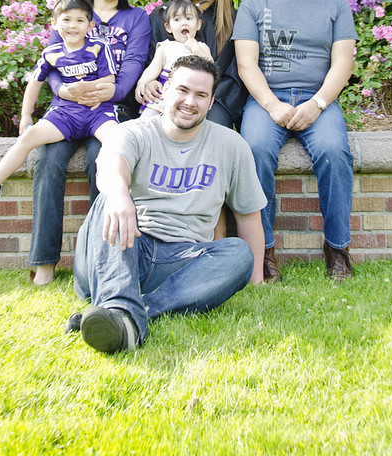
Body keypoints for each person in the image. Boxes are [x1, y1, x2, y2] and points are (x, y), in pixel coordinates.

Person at [64, 55, 267, 353]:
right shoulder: (133, 132)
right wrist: (120, 195)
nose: (190, 102)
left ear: (211, 102)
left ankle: (125, 313)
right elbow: (111, 166)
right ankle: (121, 306)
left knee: (239, 253)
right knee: (108, 198)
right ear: (165, 90)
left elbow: (248, 215)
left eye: (201, 95)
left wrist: (256, 280)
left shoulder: (231, 146)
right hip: (124, 247)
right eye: (182, 90)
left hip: (179, 262)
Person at [233, 0, 358, 282]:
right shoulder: (253, 5)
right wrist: (272, 105)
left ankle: (338, 249)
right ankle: (265, 251)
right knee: (254, 151)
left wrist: (317, 103)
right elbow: (246, 64)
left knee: (335, 152)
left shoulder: (335, 5)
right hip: (266, 101)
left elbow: (343, 63)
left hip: (318, 100)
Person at [28, 0, 151, 286]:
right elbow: (50, 63)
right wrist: (63, 91)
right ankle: (44, 262)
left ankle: (100, 259)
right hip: (67, 108)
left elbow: (134, 62)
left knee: (103, 160)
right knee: (48, 161)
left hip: (111, 108)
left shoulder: (136, 18)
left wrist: (113, 92)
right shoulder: (72, 10)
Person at [0, 0, 119, 201]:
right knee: (28, 136)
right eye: (66, 20)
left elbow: (109, 79)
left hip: (97, 111)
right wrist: (26, 115)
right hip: (66, 114)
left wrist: (84, 87)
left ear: (90, 26)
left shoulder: (98, 46)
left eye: (80, 20)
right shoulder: (50, 53)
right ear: (54, 23)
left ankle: (124, 191)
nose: (73, 26)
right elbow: (35, 82)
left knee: (117, 140)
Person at [144, 0, 246, 129]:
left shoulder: (234, 21)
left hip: (216, 101)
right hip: (166, 97)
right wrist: (149, 82)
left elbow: (234, 79)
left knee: (211, 128)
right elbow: (151, 62)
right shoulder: (163, 16)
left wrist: (206, 98)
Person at [135, 0, 212, 117]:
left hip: (190, 96)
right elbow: (153, 69)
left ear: (198, 24)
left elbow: (212, 68)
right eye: (177, 20)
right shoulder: (165, 47)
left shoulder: (202, 47)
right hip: (164, 94)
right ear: (168, 27)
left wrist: (196, 49)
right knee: (147, 120)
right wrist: (142, 82)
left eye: (189, 18)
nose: (184, 23)